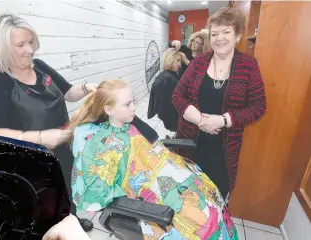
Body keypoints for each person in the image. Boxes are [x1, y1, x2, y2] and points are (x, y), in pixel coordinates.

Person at [67, 79, 239, 240]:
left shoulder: (130, 126)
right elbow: (96, 190)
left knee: (212, 196)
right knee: (204, 220)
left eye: (133, 102)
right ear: (108, 110)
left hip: (166, 172)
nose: (134, 108)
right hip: (149, 189)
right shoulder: (101, 143)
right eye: (127, 104)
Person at [0, 12, 96, 232]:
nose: (30, 49)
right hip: (29, 165)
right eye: (21, 45)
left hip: (62, 152)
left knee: (67, 191)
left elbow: (68, 93)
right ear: (0, 47)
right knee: (40, 213)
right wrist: (40, 138)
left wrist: (89, 88)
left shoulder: (39, 66)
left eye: (31, 42)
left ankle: (72, 219)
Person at [172, 7, 266, 202]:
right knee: (188, 196)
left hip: (224, 150)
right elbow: (177, 96)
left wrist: (223, 120)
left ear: (238, 35)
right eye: (214, 33)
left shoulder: (248, 65)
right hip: (190, 142)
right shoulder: (198, 63)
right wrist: (201, 120)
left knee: (216, 197)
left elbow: (258, 106)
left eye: (226, 32)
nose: (219, 38)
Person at [147, 48, 182, 132]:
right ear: (170, 60)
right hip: (173, 119)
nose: (180, 64)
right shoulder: (167, 79)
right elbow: (166, 107)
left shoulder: (167, 76)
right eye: (177, 61)